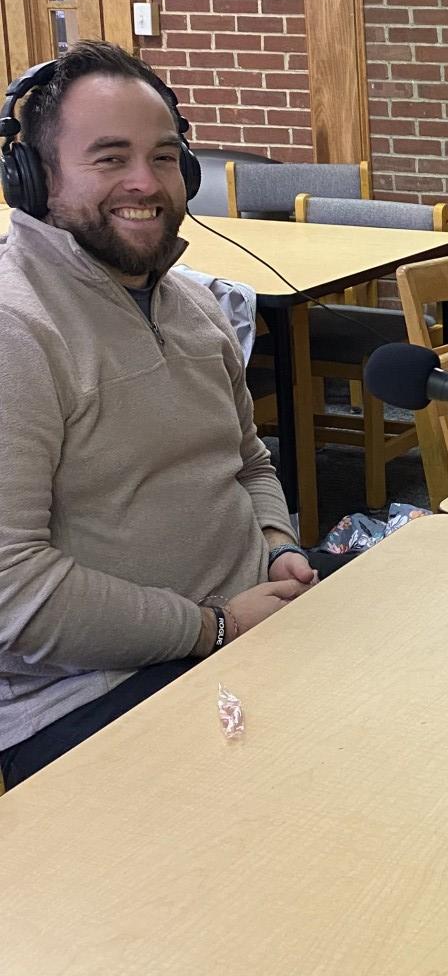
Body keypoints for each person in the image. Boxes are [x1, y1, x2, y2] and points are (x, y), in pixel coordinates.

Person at [0, 44, 316, 787]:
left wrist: (276, 545)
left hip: (250, 627)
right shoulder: (17, 329)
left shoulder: (192, 302)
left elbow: (249, 460)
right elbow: (12, 593)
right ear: (35, 180)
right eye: (110, 159)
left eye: (165, 156)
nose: (146, 182)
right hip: (91, 696)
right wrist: (213, 627)